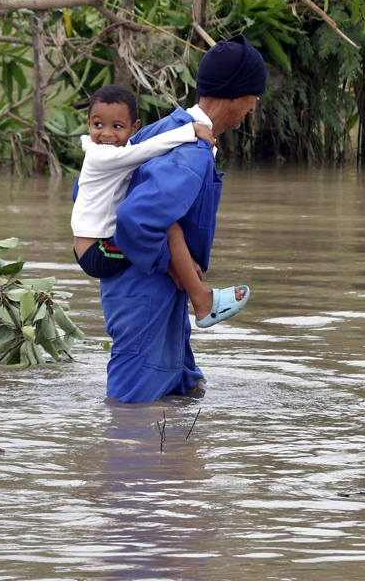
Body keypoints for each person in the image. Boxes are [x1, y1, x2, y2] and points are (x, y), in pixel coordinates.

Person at [95, 35, 267, 403]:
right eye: (254, 97)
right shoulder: (189, 155)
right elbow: (134, 220)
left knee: (186, 392)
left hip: (155, 298)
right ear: (236, 97)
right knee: (129, 416)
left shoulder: (168, 128)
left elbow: (94, 182)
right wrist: (173, 264)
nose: (254, 107)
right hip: (145, 297)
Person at [71, 85, 250, 324]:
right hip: (96, 253)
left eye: (117, 127)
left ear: (134, 128)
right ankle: (200, 300)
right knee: (167, 228)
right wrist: (190, 131)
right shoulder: (101, 155)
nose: (106, 134)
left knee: (163, 231)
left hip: (95, 245)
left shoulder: (114, 151)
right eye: (98, 125)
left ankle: (181, 276)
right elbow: (145, 150)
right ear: (88, 123)